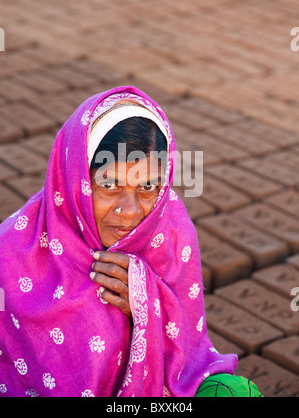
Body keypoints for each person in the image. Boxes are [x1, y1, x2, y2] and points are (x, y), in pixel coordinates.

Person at [0, 86, 262, 397]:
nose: (130, 211)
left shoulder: (171, 232)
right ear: (75, 179)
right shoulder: (14, 250)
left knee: (235, 393)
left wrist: (145, 305)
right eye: (109, 185)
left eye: (148, 186)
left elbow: (189, 349)